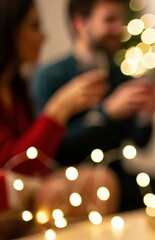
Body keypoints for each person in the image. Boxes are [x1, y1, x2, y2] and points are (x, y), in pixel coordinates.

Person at [0, 0, 118, 238]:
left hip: (44, 178)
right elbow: (17, 167)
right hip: (17, 187)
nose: (44, 36)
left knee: (103, 180)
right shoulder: (49, 77)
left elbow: (137, 138)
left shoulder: (16, 88)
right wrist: (59, 109)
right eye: (34, 26)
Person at [32, 0, 155, 211]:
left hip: (119, 181)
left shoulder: (119, 75)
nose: (120, 27)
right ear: (80, 23)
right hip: (66, 185)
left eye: (121, 19)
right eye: (110, 19)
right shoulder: (50, 77)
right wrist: (106, 112)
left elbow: (140, 141)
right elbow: (50, 151)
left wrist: (146, 114)